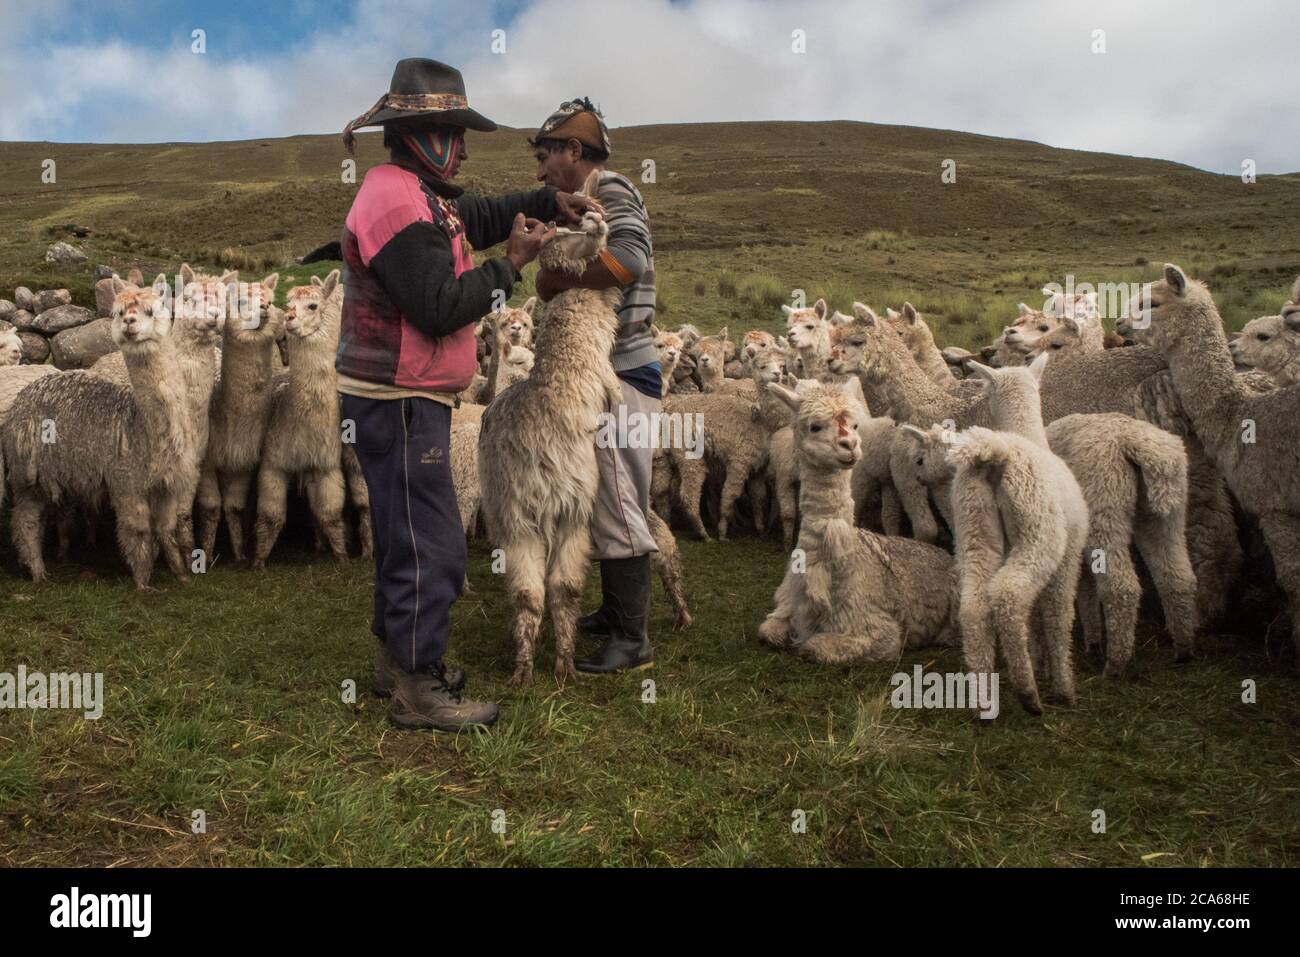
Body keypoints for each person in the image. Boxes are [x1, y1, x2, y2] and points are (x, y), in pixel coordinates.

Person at [337, 60, 599, 731]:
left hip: (406, 396)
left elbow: (476, 214)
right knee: (436, 544)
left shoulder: (418, 195)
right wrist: (510, 266)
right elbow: (436, 305)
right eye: (453, 131)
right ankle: (419, 686)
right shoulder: (396, 202)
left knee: (406, 537)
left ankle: (398, 663)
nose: (463, 146)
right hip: (396, 398)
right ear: (422, 133)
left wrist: (548, 205)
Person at [530, 98, 661, 674]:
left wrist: (553, 274)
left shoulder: (612, 192)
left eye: (546, 156)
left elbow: (628, 258)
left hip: (621, 370)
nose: (540, 172)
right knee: (607, 490)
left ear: (573, 151)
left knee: (616, 491)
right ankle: (613, 614)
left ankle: (632, 640)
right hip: (601, 370)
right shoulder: (591, 200)